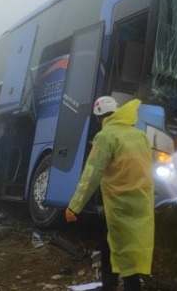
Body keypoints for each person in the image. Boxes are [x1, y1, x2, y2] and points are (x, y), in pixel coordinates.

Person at [65, 96, 154, 291]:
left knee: (116, 243)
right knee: (127, 246)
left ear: (99, 118)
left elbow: (91, 174)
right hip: (142, 201)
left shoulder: (106, 136)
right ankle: (112, 284)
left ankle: (113, 285)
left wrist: (74, 206)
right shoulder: (139, 135)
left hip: (119, 203)